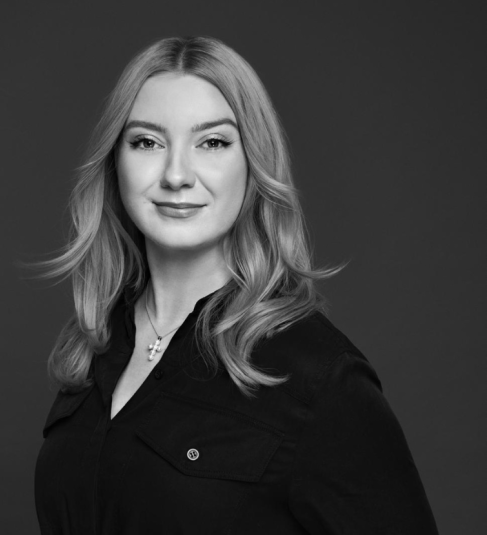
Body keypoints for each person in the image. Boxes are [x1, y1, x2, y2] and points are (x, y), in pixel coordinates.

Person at [34, 36, 439, 534]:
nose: (176, 175)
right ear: (115, 160)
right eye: (147, 142)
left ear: (253, 163)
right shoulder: (97, 345)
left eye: (212, 143)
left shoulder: (319, 378)